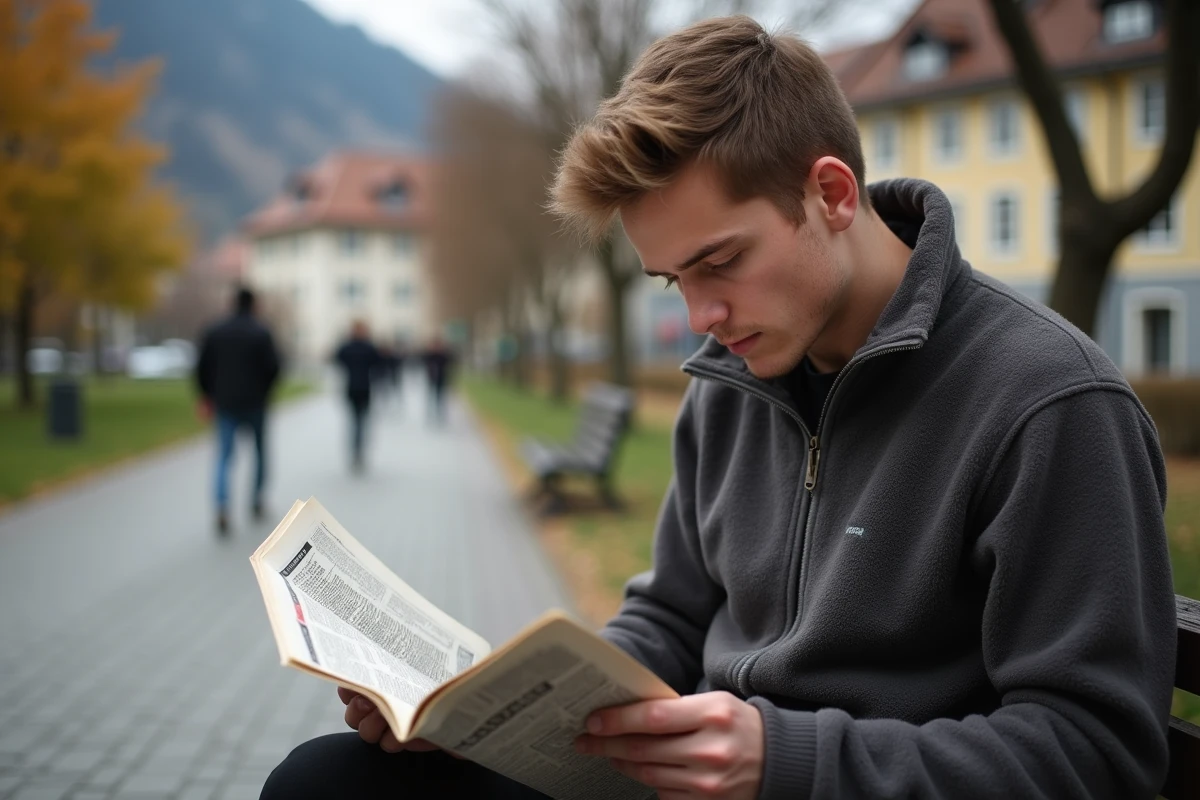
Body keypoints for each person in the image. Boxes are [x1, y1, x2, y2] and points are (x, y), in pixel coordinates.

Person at [262, 16, 1176, 800]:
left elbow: (1097, 752)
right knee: (327, 780)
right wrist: (493, 710)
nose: (700, 318)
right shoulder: (735, 378)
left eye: (720, 263)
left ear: (829, 194)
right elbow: (669, 620)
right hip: (690, 780)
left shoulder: (1048, 402)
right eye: (671, 279)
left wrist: (788, 762)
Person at [195, 286, 281, 537]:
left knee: (223, 457)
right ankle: (256, 501)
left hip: (226, 404)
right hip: (256, 403)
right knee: (260, 454)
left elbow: (202, 368)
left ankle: (222, 506)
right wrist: (265, 391)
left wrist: (206, 396)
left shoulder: (215, 331)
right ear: (254, 304)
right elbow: (274, 368)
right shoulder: (261, 332)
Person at [334, 320, 383, 472]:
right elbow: (378, 363)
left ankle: (356, 452)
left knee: (355, 422)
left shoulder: (347, 347)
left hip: (353, 388)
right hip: (363, 388)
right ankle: (358, 452)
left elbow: (337, 359)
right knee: (360, 422)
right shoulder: (368, 347)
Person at [421, 334, 454, 424]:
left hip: (441, 378)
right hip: (431, 378)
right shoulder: (429, 355)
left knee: (440, 396)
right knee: (431, 396)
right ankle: (430, 414)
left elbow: (450, 364)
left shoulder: (444, 355)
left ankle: (440, 413)